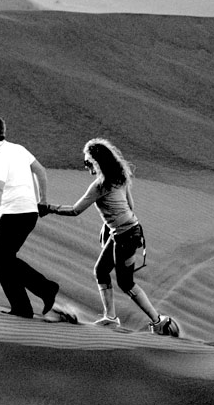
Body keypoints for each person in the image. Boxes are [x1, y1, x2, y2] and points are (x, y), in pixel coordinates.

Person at [39, 138, 179, 336]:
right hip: (128, 232)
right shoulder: (120, 178)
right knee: (101, 271)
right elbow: (130, 206)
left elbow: (75, 210)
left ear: (97, 162)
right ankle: (111, 317)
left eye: (88, 162)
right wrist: (109, 225)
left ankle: (159, 322)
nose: (86, 166)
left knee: (126, 283)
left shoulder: (100, 185)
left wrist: (49, 209)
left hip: (125, 237)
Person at [0, 115, 61, 319]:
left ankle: (41, 293)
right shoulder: (18, 149)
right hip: (30, 213)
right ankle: (28, 302)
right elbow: (41, 171)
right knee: (4, 259)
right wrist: (42, 200)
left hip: (14, 213)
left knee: (1, 259)